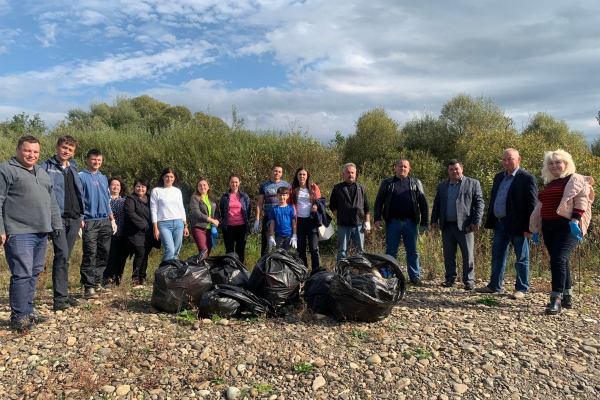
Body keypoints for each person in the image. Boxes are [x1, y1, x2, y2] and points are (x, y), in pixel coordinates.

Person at [0, 136, 62, 333]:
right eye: (27, 151)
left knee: (34, 272)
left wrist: (56, 225)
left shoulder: (42, 173)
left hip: (41, 231)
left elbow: (52, 201)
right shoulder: (5, 170)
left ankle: (28, 310)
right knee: (22, 273)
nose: (32, 155)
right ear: (18, 149)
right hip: (18, 232)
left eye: (35, 152)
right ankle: (18, 317)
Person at [529, 150, 594, 314]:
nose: (554, 166)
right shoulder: (551, 183)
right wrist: (535, 228)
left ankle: (555, 299)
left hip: (568, 226)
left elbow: (582, 200)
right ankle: (567, 296)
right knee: (560, 260)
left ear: (566, 163)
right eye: (550, 163)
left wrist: (575, 221)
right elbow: (540, 208)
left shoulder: (575, 179)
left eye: (558, 162)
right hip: (549, 227)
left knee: (558, 259)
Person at [476, 148, 538, 299]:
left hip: (519, 226)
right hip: (500, 224)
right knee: (497, 256)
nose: (506, 162)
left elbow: (532, 205)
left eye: (510, 159)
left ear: (519, 159)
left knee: (521, 258)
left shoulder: (527, 178)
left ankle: (521, 288)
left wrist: (529, 227)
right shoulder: (499, 177)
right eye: (504, 159)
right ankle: (494, 285)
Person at [39, 135, 84, 311]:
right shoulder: (45, 167)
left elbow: (78, 192)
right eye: (64, 147)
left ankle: (63, 293)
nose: (66, 151)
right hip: (56, 217)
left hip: (74, 218)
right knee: (61, 255)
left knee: (65, 257)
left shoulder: (73, 167)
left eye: (70, 149)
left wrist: (82, 216)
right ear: (57, 146)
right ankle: (59, 299)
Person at [430, 159, 484, 290]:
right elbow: (437, 203)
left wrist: (476, 221)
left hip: (465, 226)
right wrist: (433, 220)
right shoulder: (442, 185)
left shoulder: (473, 183)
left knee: (468, 255)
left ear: (462, 169)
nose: (454, 171)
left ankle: (469, 281)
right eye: (451, 169)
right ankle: (450, 279)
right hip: (447, 225)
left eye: (456, 169)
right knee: (449, 254)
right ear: (448, 171)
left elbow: (479, 203)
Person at [373, 159, 428, 286]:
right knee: (391, 251)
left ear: (409, 169)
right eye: (400, 166)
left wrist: (424, 222)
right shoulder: (387, 183)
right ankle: (390, 275)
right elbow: (379, 201)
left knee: (412, 251)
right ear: (395, 167)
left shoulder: (416, 182)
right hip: (393, 222)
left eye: (405, 167)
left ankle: (414, 276)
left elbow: (423, 204)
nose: (402, 169)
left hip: (411, 223)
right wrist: (377, 218)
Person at [79, 149, 118, 299]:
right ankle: (88, 286)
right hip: (89, 221)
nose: (96, 162)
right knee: (90, 253)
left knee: (103, 252)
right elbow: (78, 200)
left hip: (105, 220)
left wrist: (112, 219)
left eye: (99, 160)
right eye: (94, 159)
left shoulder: (103, 178)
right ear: (88, 159)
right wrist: (80, 219)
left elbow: (106, 201)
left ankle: (96, 282)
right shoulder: (81, 177)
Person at [330, 163, 370, 261]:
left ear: (356, 174)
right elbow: (332, 205)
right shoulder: (337, 188)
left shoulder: (362, 188)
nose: (350, 174)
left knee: (359, 251)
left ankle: (359, 270)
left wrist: (367, 222)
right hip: (343, 225)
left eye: (352, 172)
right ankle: (341, 271)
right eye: (348, 172)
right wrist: (339, 216)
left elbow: (366, 207)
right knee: (342, 250)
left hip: (359, 225)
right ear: (344, 174)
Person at [151, 168, 189, 261]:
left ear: (174, 178)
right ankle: (162, 272)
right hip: (163, 224)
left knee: (175, 252)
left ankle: (172, 273)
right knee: (170, 250)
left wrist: (185, 225)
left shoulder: (177, 191)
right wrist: (155, 228)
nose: (169, 178)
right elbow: (153, 210)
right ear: (163, 177)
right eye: (167, 176)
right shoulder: (156, 191)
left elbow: (181, 208)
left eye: (171, 177)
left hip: (178, 223)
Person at [288, 167, 322, 271]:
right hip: (299, 222)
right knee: (300, 250)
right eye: (299, 174)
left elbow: (320, 201)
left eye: (304, 174)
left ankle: (316, 273)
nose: (302, 176)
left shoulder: (313, 187)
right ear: (296, 176)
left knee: (314, 248)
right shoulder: (292, 189)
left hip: (311, 221)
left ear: (307, 176)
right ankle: (304, 272)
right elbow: (289, 204)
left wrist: (316, 205)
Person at [123, 179, 156, 285]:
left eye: (143, 187)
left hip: (149, 231)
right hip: (136, 232)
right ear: (134, 187)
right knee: (140, 253)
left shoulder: (151, 198)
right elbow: (130, 213)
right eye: (138, 186)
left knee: (146, 254)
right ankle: (135, 278)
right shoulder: (131, 198)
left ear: (146, 188)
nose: (140, 189)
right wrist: (143, 225)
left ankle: (143, 277)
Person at [255, 165, 291, 257]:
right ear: (271, 171)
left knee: (283, 247)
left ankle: (282, 268)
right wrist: (257, 219)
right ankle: (263, 268)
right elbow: (259, 203)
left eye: (279, 172)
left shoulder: (287, 185)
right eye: (275, 171)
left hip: (282, 220)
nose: (277, 173)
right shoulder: (264, 185)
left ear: (282, 174)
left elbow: (290, 202)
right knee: (266, 246)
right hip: (268, 218)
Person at [103, 177, 129, 286]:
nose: (115, 187)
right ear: (108, 187)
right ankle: (108, 279)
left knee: (121, 257)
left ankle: (118, 279)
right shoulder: (105, 199)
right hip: (108, 233)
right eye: (113, 185)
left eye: (118, 185)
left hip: (122, 233)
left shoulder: (125, 200)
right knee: (110, 257)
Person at [220, 174, 251, 263]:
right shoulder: (225, 197)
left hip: (241, 227)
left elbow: (248, 211)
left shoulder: (244, 196)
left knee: (240, 250)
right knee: (229, 251)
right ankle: (229, 270)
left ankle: (240, 271)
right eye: (232, 182)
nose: (234, 184)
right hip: (228, 227)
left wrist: (246, 225)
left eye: (236, 182)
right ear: (229, 183)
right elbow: (222, 211)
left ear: (239, 183)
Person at [190, 178, 220, 257]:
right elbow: (197, 213)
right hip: (199, 227)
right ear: (197, 187)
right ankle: (202, 268)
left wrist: (215, 224)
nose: (202, 187)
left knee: (208, 251)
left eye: (204, 185)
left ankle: (202, 267)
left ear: (208, 187)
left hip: (210, 229)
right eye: (200, 185)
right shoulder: (195, 198)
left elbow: (217, 212)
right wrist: (212, 220)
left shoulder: (212, 199)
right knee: (204, 251)